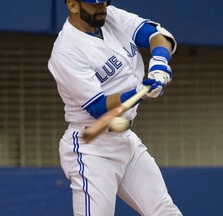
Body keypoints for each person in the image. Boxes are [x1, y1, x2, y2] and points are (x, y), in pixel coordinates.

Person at [48, 0, 182, 215]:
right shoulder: (66, 51)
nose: (101, 6)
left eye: (104, 1)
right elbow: (98, 107)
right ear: (73, 5)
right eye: (94, 3)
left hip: (125, 136)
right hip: (91, 148)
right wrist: (138, 92)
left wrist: (159, 61)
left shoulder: (111, 16)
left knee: (165, 211)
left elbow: (156, 35)